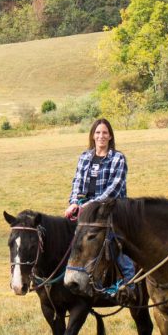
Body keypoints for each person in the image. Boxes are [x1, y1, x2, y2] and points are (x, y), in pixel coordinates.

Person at [64, 117, 136, 294]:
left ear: (110, 136)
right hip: (86, 210)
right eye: (97, 133)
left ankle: (129, 284)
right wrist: (74, 203)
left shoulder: (118, 158)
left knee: (117, 244)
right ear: (92, 136)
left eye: (105, 133)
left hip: (111, 210)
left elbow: (115, 188)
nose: (101, 136)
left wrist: (89, 205)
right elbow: (77, 182)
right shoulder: (85, 157)